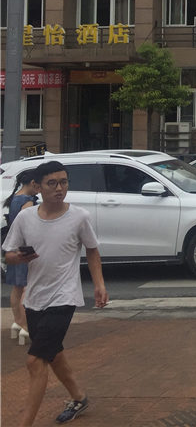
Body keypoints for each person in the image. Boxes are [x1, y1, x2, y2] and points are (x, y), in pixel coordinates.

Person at [1, 160, 108, 426]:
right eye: (52, 183)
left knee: (35, 361)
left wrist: (99, 284)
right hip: (34, 299)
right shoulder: (26, 217)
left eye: (63, 182)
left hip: (64, 297)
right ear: (38, 186)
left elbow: (92, 250)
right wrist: (19, 257)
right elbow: (8, 255)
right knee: (53, 353)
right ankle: (79, 397)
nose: (59, 188)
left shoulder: (79, 217)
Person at [3, 168, 42, 345]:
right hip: (25, 248)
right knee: (26, 289)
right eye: (39, 185)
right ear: (33, 183)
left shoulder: (14, 199)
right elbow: (30, 227)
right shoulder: (27, 201)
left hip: (13, 247)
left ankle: (18, 323)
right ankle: (27, 327)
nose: (39, 190)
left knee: (17, 288)